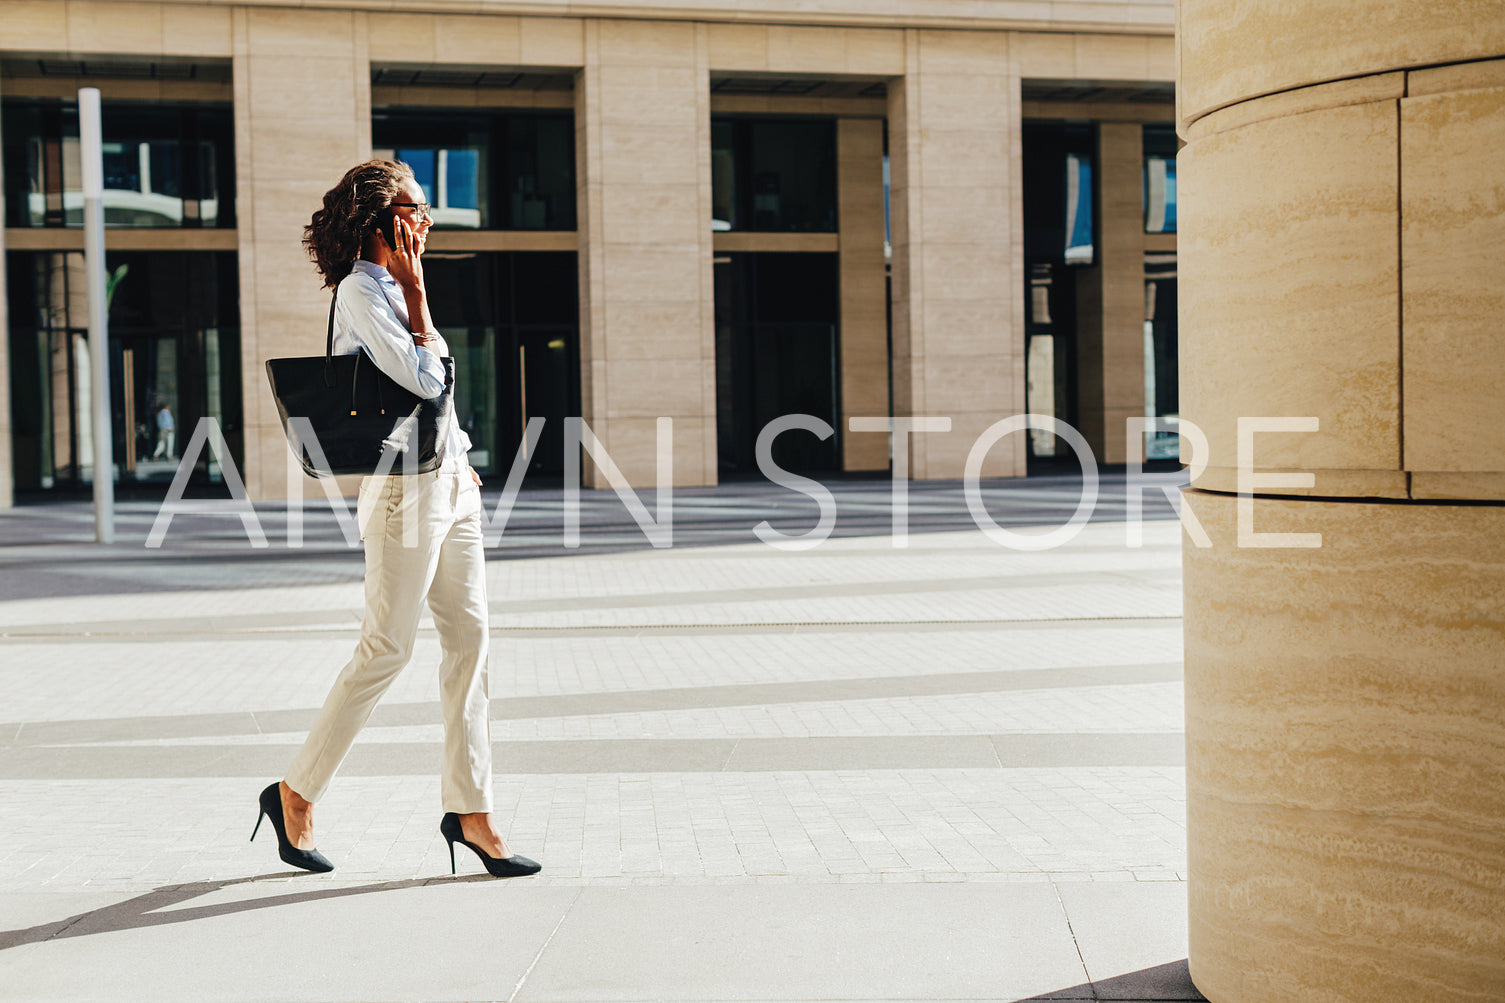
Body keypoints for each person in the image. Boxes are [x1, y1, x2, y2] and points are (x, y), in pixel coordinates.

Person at [250, 160, 539, 879]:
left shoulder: (398, 290)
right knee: (387, 647)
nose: (429, 219)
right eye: (417, 206)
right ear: (381, 219)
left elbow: (437, 398)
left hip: (448, 482)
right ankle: (294, 792)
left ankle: (471, 810)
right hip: (402, 492)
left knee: (469, 639)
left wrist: (462, 455)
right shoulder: (360, 291)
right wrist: (415, 297)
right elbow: (423, 377)